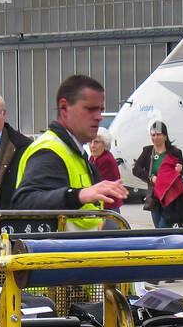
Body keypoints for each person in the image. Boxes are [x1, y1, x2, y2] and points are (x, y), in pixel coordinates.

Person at [12, 74, 127, 228]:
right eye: (90, 109)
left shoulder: (74, 151)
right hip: (58, 251)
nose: (99, 117)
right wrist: (79, 195)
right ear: (64, 108)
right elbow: (24, 202)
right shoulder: (49, 151)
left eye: (100, 110)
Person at [131, 122, 183, 228]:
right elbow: (136, 169)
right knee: (158, 230)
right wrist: (150, 178)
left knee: (162, 228)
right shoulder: (147, 151)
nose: (155, 137)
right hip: (155, 198)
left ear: (165, 136)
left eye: (158, 134)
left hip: (171, 199)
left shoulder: (175, 152)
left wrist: (180, 170)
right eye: (153, 135)